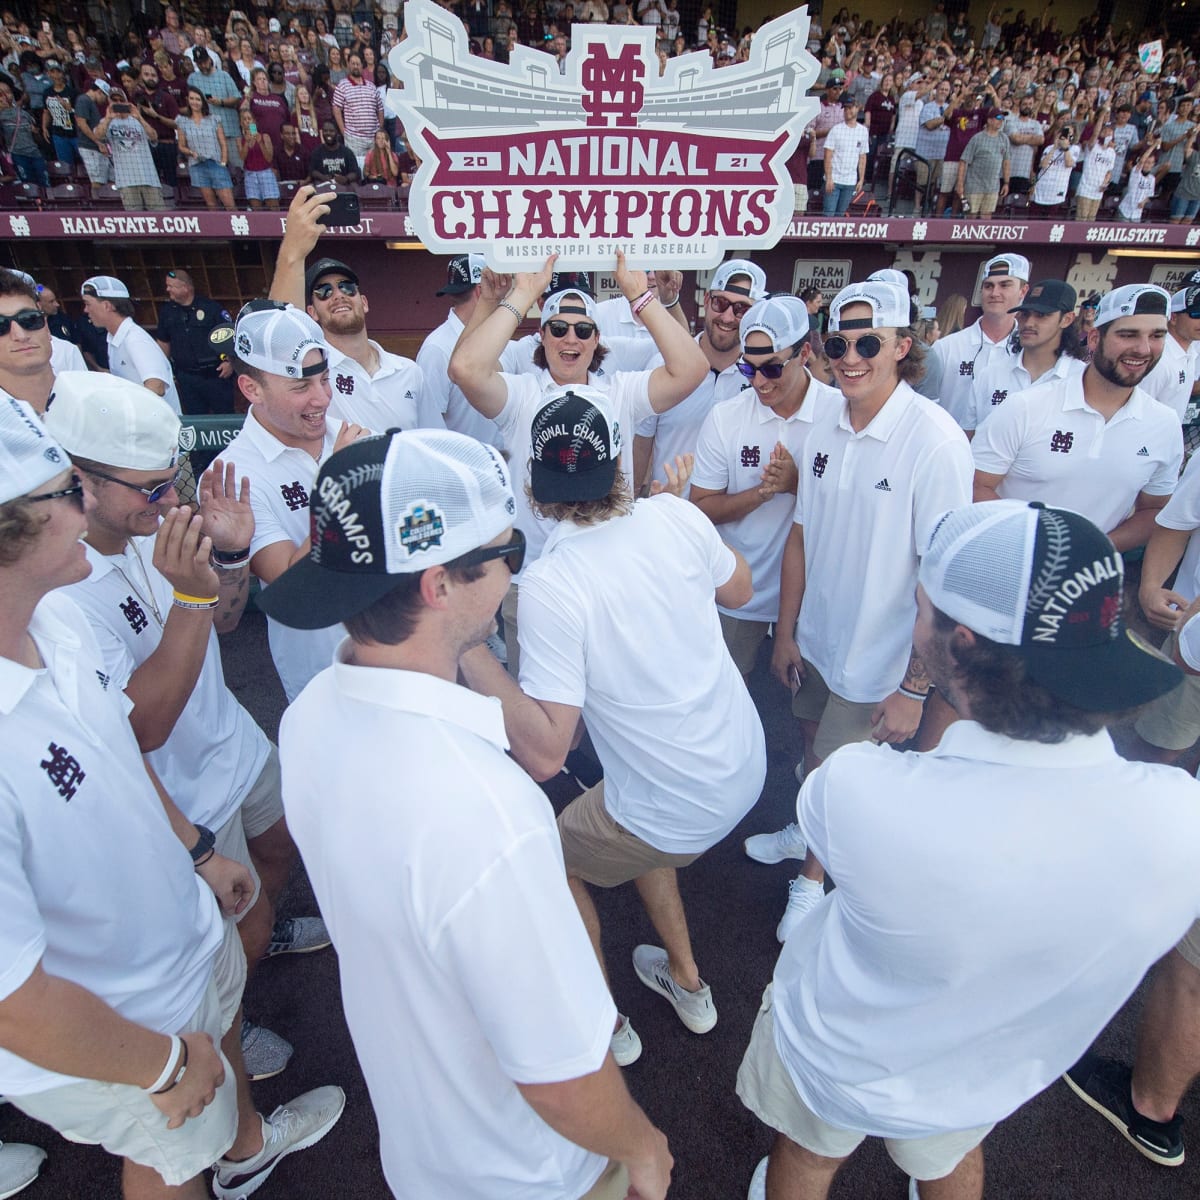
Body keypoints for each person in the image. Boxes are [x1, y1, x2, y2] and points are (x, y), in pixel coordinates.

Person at [738, 497, 1199, 1200]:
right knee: (951, 1160)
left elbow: (837, 814)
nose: (912, 619)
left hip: (842, 1053)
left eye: (921, 607)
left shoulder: (860, 789)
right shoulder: (1178, 822)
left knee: (805, 1160)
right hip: (989, 1071)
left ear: (961, 646)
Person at [256, 426, 673, 1198]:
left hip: (424, 1152)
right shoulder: (488, 811)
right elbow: (562, 1078)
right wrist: (643, 1147)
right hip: (530, 1170)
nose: (519, 569)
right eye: (507, 553)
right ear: (438, 583)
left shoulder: (308, 716)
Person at [0, 396, 346, 1200]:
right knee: (169, 1156)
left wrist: (190, 847)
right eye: (65, 492)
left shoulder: (53, 624)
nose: (81, 507)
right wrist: (158, 1061)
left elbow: (119, 750)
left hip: (178, 931)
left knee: (213, 1111)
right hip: (121, 1014)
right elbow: (13, 1002)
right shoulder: (67, 608)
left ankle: (249, 1146)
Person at [458, 388, 764, 1066]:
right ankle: (687, 982)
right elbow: (740, 591)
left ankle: (606, 1021)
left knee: (551, 859)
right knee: (622, 809)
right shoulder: (674, 518)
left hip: (675, 805)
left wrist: (467, 645)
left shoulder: (550, 584)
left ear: (534, 486)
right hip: (743, 767)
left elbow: (545, 751)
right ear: (620, 465)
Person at [45, 369, 330, 1081]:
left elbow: (228, 620)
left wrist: (230, 557)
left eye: (171, 478)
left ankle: (260, 942)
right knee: (216, 957)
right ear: (80, 479)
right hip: (181, 797)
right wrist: (192, 600)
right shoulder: (59, 586)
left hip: (234, 741)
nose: (170, 498)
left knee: (274, 863)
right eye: (149, 488)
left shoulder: (153, 522)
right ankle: (234, 1077)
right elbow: (145, 728)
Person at [748, 279, 972, 940]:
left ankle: (814, 879)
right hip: (818, 640)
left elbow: (946, 579)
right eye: (838, 342)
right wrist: (786, 632)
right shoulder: (821, 423)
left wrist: (913, 686)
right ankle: (809, 830)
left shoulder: (936, 442)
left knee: (841, 774)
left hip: (878, 656)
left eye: (869, 341)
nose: (851, 356)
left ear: (905, 346)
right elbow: (801, 535)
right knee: (814, 747)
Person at [448, 252, 707, 679]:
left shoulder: (620, 391)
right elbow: (464, 368)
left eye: (583, 329)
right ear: (543, 338)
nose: (571, 339)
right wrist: (519, 296)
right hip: (532, 577)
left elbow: (692, 368)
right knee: (538, 695)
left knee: (606, 693)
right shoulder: (521, 396)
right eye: (559, 328)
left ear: (596, 340)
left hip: (609, 574)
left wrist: (640, 297)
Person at [222, 301, 368, 702]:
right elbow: (290, 584)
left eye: (324, 379)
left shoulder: (354, 436)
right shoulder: (234, 475)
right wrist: (337, 484)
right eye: (301, 387)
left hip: (397, 655)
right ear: (251, 388)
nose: (322, 399)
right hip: (326, 678)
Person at [690, 294, 841, 678]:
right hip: (742, 594)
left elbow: (855, 505)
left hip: (815, 598)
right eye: (748, 368)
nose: (758, 382)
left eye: (772, 368)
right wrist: (762, 493)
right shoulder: (726, 418)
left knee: (804, 716)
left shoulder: (839, 413)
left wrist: (797, 484)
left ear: (805, 352)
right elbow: (701, 506)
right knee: (725, 698)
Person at [973, 282, 1180, 552]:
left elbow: (1153, 509)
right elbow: (975, 484)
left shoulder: (1164, 424)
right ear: (1094, 339)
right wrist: (1038, 545)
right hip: (1005, 564)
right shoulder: (1026, 406)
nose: (1143, 349)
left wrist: (1093, 550)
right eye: (1128, 335)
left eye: (1156, 336)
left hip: (1087, 582)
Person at [268, 191, 437, 432]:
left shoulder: (408, 371)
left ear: (364, 302)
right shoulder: (313, 371)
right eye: (324, 291)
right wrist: (293, 253)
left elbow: (432, 437)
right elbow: (281, 335)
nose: (338, 295)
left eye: (347, 287)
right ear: (311, 312)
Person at [633, 259, 767, 497]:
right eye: (721, 303)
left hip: (731, 525)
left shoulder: (764, 378)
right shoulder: (663, 365)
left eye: (741, 309)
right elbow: (641, 446)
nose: (727, 317)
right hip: (671, 519)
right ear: (706, 300)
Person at [919, 253, 1031, 429]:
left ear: (1023, 291)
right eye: (988, 286)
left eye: (1004, 285)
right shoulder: (947, 347)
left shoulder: (1029, 352)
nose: (995, 293)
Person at [965, 279, 1085, 436]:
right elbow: (969, 435)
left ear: (1067, 319)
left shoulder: (1082, 379)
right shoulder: (990, 374)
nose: (1029, 323)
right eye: (1025, 314)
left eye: (1042, 315)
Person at [417, 253, 503, 446]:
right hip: (464, 467)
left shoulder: (497, 336)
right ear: (481, 290)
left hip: (503, 465)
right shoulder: (436, 348)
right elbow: (429, 425)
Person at [81, 276, 182, 415]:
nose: (85, 310)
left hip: (158, 430)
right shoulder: (113, 338)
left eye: (88, 304)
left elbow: (157, 386)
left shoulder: (135, 339)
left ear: (106, 305)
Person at [154, 270, 236, 415]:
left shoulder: (211, 309)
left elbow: (230, 336)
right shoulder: (167, 312)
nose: (168, 290)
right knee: (195, 420)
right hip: (187, 378)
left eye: (172, 286)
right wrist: (163, 370)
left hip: (215, 375)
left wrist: (230, 363)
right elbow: (163, 342)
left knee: (225, 417)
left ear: (185, 288)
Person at [1139, 278, 1200, 423]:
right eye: (1197, 314)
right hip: (1143, 439)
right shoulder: (1158, 357)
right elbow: (1136, 408)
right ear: (1173, 317)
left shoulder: (1190, 352)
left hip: (1166, 438)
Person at [94, 88, 165, 211]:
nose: (119, 103)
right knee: (135, 222)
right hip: (126, 182)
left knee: (159, 220)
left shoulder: (137, 121)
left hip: (149, 178)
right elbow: (98, 136)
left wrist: (139, 117)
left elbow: (154, 136)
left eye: (121, 100)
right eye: (114, 100)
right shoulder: (106, 122)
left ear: (127, 101)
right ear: (109, 102)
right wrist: (108, 117)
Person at [186, 49, 243, 170]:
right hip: (208, 136)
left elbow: (237, 98)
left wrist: (221, 102)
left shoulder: (224, 76)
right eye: (199, 63)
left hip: (230, 132)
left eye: (204, 62)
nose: (202, 65)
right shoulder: (192, 78)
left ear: (210, 60)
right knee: (218, 171)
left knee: (238, 169)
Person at [955, 108, 1010, 219]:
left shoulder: (1004, 139)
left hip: (993, 187)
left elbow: (1006, 162)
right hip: (974, 185)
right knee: (971, 215)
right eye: (998, 118)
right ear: (989, 120)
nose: (1001, 120)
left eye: (1003, 118)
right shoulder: (977, 138)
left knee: (987, 217)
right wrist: (960, 184)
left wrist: (1006, 182)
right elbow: (963, 161)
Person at [132, 61, 180, 187]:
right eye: (146, 74)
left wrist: (156, 116)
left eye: (153, 75)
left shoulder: (167, 97)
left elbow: (177, 124)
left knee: (171, 183)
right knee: (150, 183)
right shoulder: (136, 97)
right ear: (141, 77)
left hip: (166, 145)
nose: (150, 78)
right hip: (144, 146)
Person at [331, 51, 381, 161]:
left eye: (358, 64)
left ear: (362, 66)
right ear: (348, 65)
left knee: (375, 170)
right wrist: (343, 131)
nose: (355, 66)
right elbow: (336, 109)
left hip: (373, 137)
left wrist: (380, 130)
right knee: (357, 170)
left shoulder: (371, 86)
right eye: (353, 63)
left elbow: (380, 109)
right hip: (354, 138)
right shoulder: (342, 85)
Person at [823, 96, 869, 215]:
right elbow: (827, 155)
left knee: (840, 217)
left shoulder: (863, 131)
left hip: (850, 181)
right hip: (834, 180)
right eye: (846, 108)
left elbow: (862, 156)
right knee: (828, 215)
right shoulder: (836, 130)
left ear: (858, 108)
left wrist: (861, 179)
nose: (848, 111)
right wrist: (829, 178)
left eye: (850, 108)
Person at [237, 107, 280, 212]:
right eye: (244, 119)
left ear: (253, 121)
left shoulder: (265, 137)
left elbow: (269, 158)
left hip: (265, 173)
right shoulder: (239, 140)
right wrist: (247, 142)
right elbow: (242, 157)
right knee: (256, 208)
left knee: (273, 205)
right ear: (241, 122)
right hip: (250, 175)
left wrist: (260, 142)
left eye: (249, 118)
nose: (247, 121)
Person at [73, 76, 111, 185]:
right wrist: (98, 142)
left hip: (94, 147)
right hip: (89, 147)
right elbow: (81, 123)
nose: (105, 101)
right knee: (97, 182)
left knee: (103, 180)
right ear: (99, 92)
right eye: (105, 96)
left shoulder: (89, 102)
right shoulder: (83, 100)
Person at [308, 119, 360, 184]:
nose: (328, 133)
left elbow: (355, 173)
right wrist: (322, 177)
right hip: (323, 187)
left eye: (331, 131)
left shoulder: (347, 152)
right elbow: (312, 171)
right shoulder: (317, 152)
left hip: (344, 188)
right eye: (325, 131)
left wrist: (346, 178)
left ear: (337, 133)